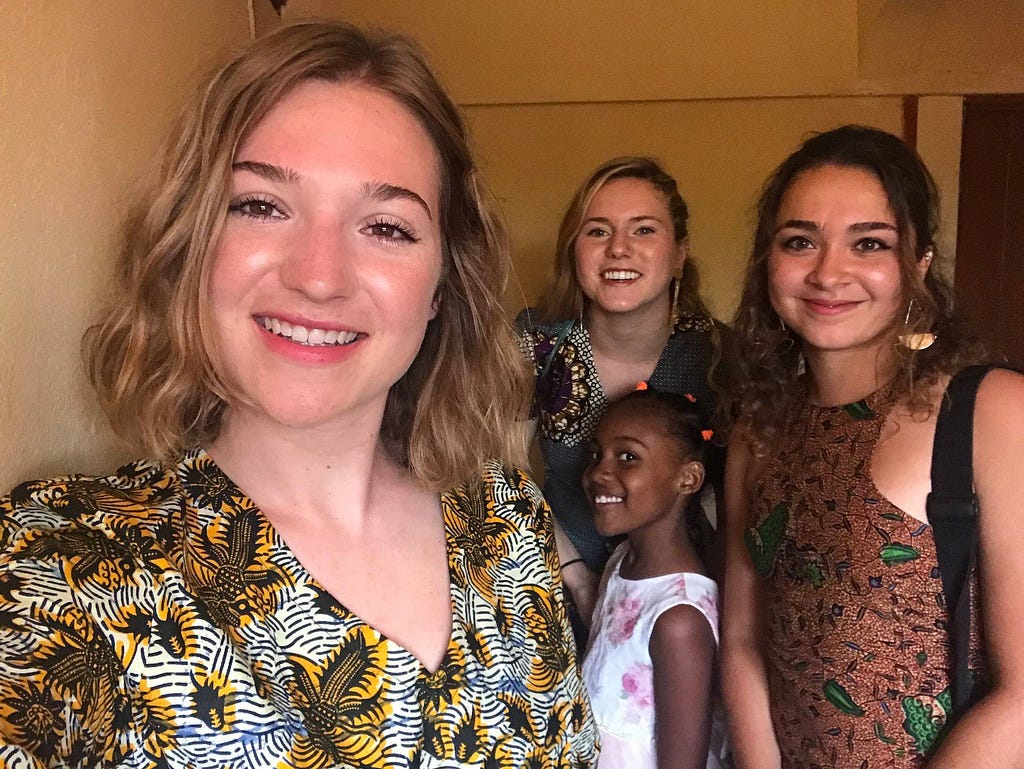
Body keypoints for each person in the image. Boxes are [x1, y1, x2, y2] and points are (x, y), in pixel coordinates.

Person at [0, 20, 597, 768]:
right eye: (260, 206)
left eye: (386, 226)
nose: (319, 275)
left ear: (443, 284)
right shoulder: (61, 570)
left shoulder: (507, 521)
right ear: (190, 244)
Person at [721, 125, 1024, 768]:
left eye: (869, 244)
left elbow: (1023, 694)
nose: (829, 273)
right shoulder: (759, 430)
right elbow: (745, 642)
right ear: (767, 262)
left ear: (917, 265)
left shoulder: (989, 410)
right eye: (800, 241)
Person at [518, 157, 725, 634]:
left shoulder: (721, 357)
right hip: (553, 583)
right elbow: (502, 470)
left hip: (680, 605)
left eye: (644, 231)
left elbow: (735, 503)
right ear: (574, 250)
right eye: (597, 231)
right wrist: (578, 580)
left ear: (679, 254)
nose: (618, 250)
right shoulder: (535, 343)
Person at [581, 389, 730, 769]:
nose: (599, 471)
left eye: (627, 457)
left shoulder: (679, 618)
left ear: (688, 479)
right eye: (596, 454)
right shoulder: (622, 561)